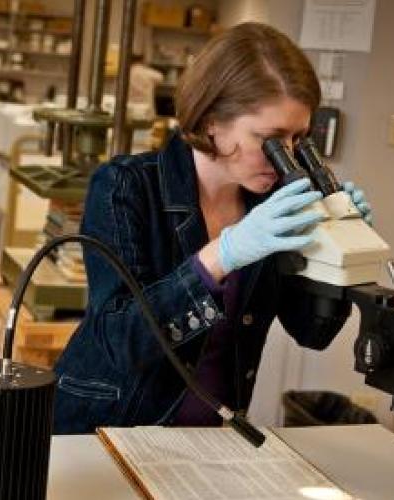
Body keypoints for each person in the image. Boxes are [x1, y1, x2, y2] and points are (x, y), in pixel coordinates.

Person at [53, 22, 373, 434]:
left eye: (298, 140)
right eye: (270, 139)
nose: (286, 157)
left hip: (209, 442)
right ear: (211, 122)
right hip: (109, 431)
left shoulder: (270, 208)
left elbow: (313, 332)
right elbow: (120, 342)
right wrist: (219, 256)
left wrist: (338, 256)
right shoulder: (125, 187)